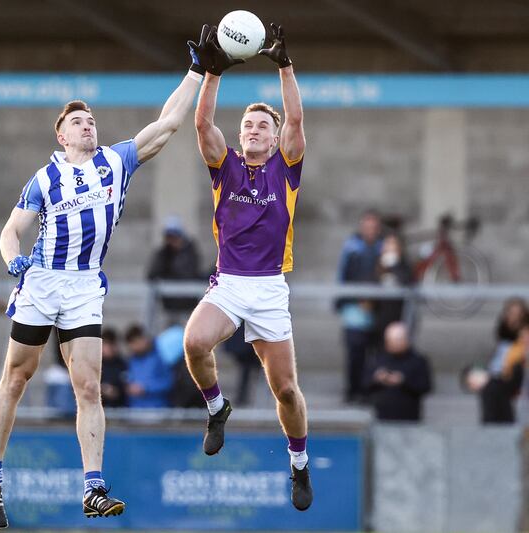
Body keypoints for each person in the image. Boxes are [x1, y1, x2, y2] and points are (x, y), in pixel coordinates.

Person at [0, 25, 216, 527]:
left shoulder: (116, 161)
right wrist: (13, 261)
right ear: (61, 136)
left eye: (90, 120)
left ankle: (92, 487)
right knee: (17, 376)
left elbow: (170, 123)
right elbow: (10, 231)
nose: (88, 126)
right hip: (43, 280)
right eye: (77, 122)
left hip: (86, 284)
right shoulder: (45, 178)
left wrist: (198, 71)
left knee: (89, 386)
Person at [181, 24, 314, 511]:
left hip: (270, 290)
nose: (253, 130)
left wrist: (284, 65)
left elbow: (297, 119)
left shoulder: (287, 165)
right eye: (248, 126)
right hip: (230, 284)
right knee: (194, 342)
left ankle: (298, 463)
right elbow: (201, 125)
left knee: (285, 390)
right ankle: (218, 407)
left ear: (276, 136)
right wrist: (212, 71)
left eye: (262, 125)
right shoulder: (226, 165)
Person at [337, 209, 383, 403]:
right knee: (355, 353)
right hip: (354, 309)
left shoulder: (383, 248)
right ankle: (353, 390)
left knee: (374, 354)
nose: (370, 230)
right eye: (367, 226)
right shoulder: (352, 249)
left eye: (374, 227)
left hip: (378, 310)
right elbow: (343, 276)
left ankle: (368, 391)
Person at [362, 322, 432, 421]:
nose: (395, 344)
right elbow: (364, 384)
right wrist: (377, 379)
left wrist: (403, 381)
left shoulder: (418, 361)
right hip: (382, 416)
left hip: (410, 417)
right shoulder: (377, 360)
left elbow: (426, 386)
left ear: (406, 340)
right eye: (392, 341)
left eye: (398, 340)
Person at [147, 215, 202, 313]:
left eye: (175, 236)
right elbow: (152, 274)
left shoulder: (190, 252)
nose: (172, 241)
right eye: (169, 237)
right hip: (169, 308)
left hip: (188, 308)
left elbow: (187, 274)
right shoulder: (163, 254)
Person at [373, 233, 413, 344]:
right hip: (379, 315)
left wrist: (394, 263)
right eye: (388, 243)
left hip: (399, 315)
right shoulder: (376, 263)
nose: (390, 247)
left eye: (393, 244)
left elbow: (407, 280)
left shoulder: (404, 265)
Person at [124, 324, 173, 408]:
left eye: (135, 343)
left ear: (143, 339)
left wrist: (146, 388)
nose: (134, 347)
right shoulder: (132, 360)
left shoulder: (161, 356)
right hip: (135, 410)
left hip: (157, 410)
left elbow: (169, 383)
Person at [100, 327, 127, 408]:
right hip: (99, 408)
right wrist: (101, 389)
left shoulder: (122, 364)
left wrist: (118, 392)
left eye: (112, 344)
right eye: (106, 344)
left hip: (120, 409)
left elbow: (128, 386)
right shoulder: (94, 364)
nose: (109, 348)